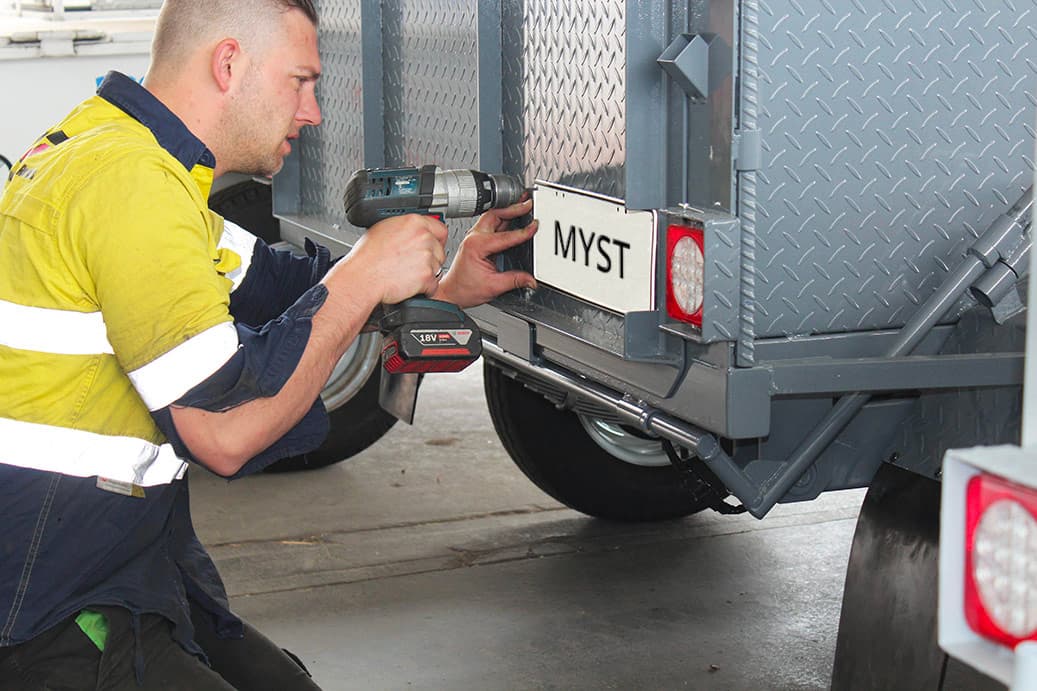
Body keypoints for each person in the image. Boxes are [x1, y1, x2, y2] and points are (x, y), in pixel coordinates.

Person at [0, 0, 537, 688]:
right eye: (300, 80)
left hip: (120, 556)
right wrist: (368, 271)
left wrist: (439, 287)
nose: (311, 111)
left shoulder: (127, 152)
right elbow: (226, 432)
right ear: (229, 65)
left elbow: (286, 286)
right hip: (49, 599)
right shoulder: (129, 184)